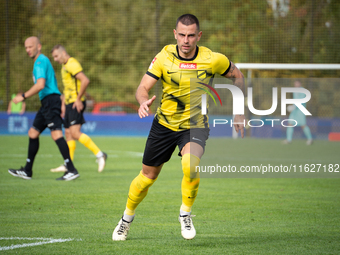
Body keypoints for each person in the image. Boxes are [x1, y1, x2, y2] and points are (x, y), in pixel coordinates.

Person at [112, 14, 245, 241]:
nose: (186, 40)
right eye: (181, 35)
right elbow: (143, 87)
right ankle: (126, 219)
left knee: (190, 165)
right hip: (163, 124)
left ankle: (185, 213)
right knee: (147, 176)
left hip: (195, 125)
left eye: (191, 35)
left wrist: (240, 110)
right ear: (175, 34)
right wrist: (143, 100)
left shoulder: (213, 59)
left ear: (198, 36)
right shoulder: (164, 57)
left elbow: (238, 76)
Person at [8, 36, 79, 181]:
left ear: (38, 46)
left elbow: (40, 84)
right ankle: (27, 170)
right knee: (33, 133)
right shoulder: (41, 61)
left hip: (50, 101)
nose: (28, 50)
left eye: (30, 47)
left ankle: (71, 169)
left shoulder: (40, 61)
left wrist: (23, 96)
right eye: (26, 47)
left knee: (56, 135)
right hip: (47, 102)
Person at [50, 45, 107, 173]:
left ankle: (99, 155)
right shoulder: (64, 67)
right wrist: (64, 105)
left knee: (75, 133)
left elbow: (85, 80)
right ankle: (68, 164)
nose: (55, 59)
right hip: (70, 104)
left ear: (63, 53)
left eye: (56, 56)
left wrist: (78, 98)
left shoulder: (72, 63)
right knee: (69, 135)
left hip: (76, 103)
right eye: (53, 57)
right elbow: (69, 87)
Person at [283, 80, 313, 145]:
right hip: (295, 111)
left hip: (300, 110)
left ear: (300, 84)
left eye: (297, 84)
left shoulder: (303, 91)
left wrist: (294, 106)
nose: (296, 85)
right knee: (290, 123)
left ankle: (310, 139)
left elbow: (301, 101)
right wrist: (293, 106)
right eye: (295, 84)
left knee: (303, 125)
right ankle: (289, 140)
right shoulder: (294, 91)